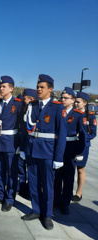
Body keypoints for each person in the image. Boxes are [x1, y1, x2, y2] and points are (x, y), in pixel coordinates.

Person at [20, 74, 67, 230]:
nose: (38, 90)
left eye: (42, 87)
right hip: (32, 150)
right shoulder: (33, 105)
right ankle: (35, 209)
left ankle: (47, 215)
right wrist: (23, 149)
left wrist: (58, 157)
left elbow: (62, 134)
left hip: (48, 152)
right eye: (38, 87)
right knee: (32, 182)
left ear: (50, 89)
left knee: (47, 185)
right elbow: (26, 130)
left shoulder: (57, 107)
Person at [0, 76, 23, 211]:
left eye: (3, 87)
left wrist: (20, 145)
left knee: (11, 172)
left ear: (11, 88)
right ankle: (0, 195)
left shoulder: (18, 104)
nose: (0, 89)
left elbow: (22, 126)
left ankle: (9, 198)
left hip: (11, 143)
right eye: (0, 87)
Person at [54, 87, 87, 215]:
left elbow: (83, 136)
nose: (63, 99)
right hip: (58, 148)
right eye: (62, 97)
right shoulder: (58, 111)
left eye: (66, 98)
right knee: (57, 176)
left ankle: (65, 203)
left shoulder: (78, 115)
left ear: (73, 100)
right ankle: (56, 199)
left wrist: (78, 152)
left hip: (70, 147)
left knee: (68, 178)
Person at [72, 92, 97, 202]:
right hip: (71, 144)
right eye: (75, 101)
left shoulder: (90, 116)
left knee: (80, 169)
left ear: (85, 103)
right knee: (69, 169)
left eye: (78, 102)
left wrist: (82, 138)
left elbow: (93, 133)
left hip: (83, 146)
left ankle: (79, 193)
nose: (76, 104)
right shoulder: (72, 114)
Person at [17, 88, 38, 198]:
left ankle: (30, 190)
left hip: (31, 143)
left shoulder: (36, 110)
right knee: (21, 167)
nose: (23, 100)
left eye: (25, 98)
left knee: (31, 170)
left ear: (31, 99)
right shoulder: (24, 109)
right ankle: (22, 187)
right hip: (23, 141)